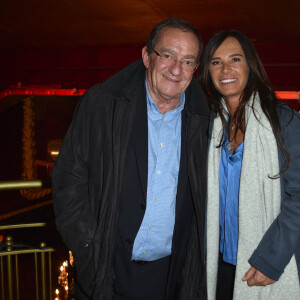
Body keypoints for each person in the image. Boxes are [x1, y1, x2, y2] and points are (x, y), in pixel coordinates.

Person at [52, 18, 210, 300]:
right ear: (147, 56)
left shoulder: (205, 121)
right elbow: (69, 181)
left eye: (188, 61)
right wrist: (89, 250)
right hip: (105, 271)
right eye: (168, 55)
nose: (176, 69)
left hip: (173, 278)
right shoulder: (102, 104)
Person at [199, 30, 300, 299]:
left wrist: (271, 260)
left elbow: (299, 197)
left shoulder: (283, 121)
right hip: (219, 265)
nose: (225, 69)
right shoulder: (209, 126)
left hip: (266, 261)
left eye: (235, 59)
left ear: (250, 65)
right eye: (215, 62)